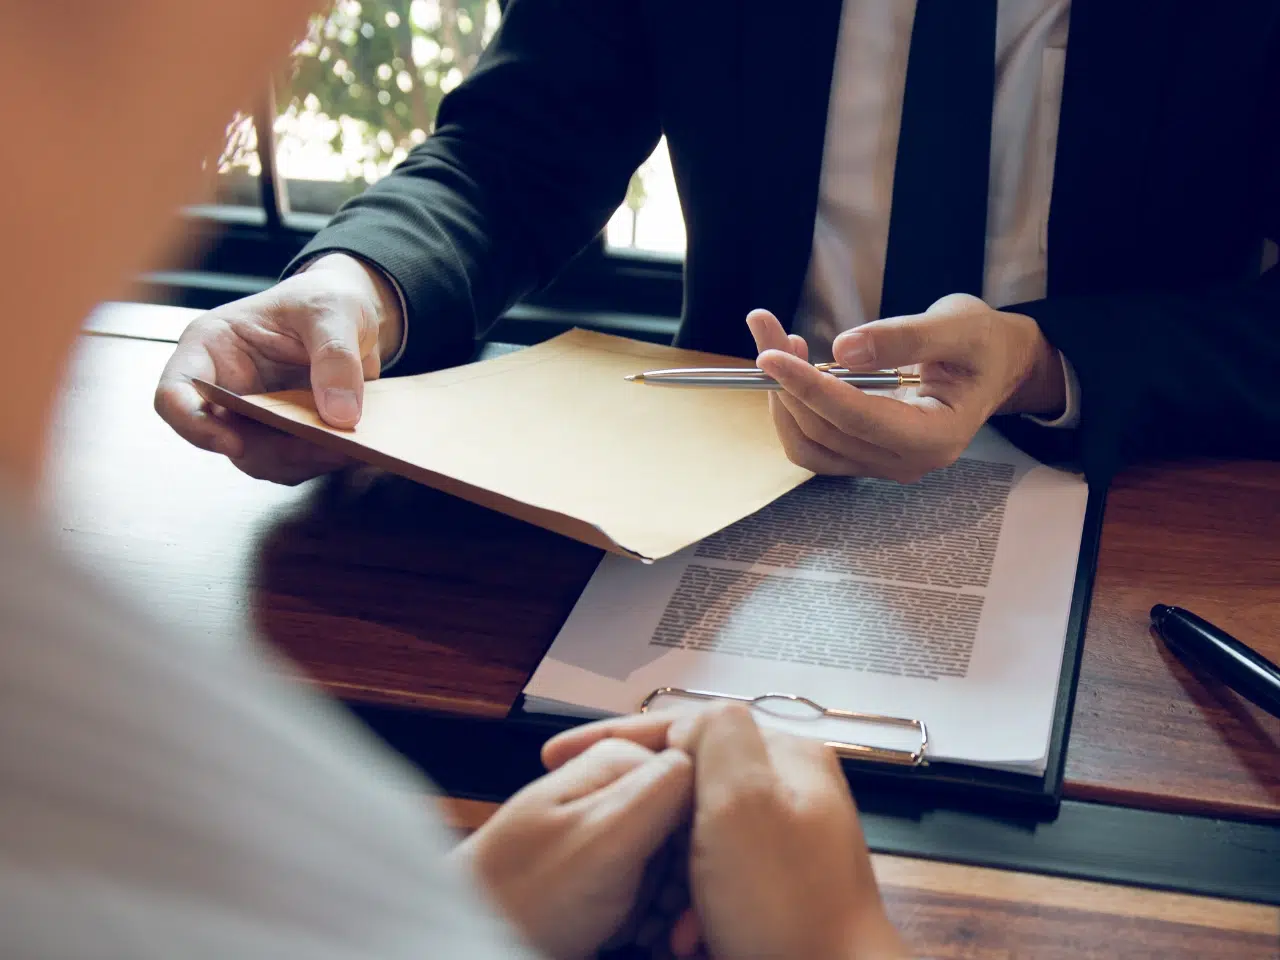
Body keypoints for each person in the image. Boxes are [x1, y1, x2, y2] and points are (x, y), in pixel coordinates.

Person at [0, 2, 911, 958]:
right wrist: (356, 284)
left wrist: (481, 912)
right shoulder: (212, 842)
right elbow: (518, 141)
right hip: (701, 529)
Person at [155, 0, 1280, 489]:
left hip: (1127, 484)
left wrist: (1039, 362)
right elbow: (519, 145)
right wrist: (359, 284)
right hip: (728, 476)